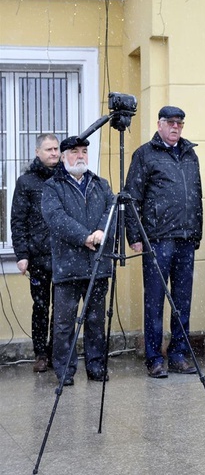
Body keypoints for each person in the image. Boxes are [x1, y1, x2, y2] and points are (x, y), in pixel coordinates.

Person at [125, 106, 202, 378]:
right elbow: (132, 197)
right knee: (155, 301)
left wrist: (197, 233)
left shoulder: (190, 155)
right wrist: (134, 236)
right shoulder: (145, 154)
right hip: (156, 240)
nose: (175, 127)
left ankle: (179, 354)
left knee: (183, 301)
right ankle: (155, 358)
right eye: (170, 122)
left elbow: (196, 196)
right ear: (159, 124)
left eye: (179, 123)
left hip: (184, 239)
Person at [41, 136, 115, 386]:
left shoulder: (100, 184)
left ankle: (96, 367)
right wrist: (83, 236)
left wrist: (102, 231)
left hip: (97, 265)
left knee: (95, 321)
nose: (80, 156)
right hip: (68, 266)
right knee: (64, 324)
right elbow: (55, 218)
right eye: (74, 152)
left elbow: (112, 211)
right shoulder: (53, 186)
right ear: (63, 157)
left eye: (84, 151)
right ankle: (65, 371)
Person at [11, 134, 60, 372]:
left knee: (62, 309)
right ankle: (41, 354)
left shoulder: (65, 178)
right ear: (37, 151)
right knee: (41, 307)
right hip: (38, 257)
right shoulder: (26, 182)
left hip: (64, 255)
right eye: (49, 149)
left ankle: (57, 353)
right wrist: (22, 254)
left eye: (56, 149)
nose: (54, 153)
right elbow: (17, 221)